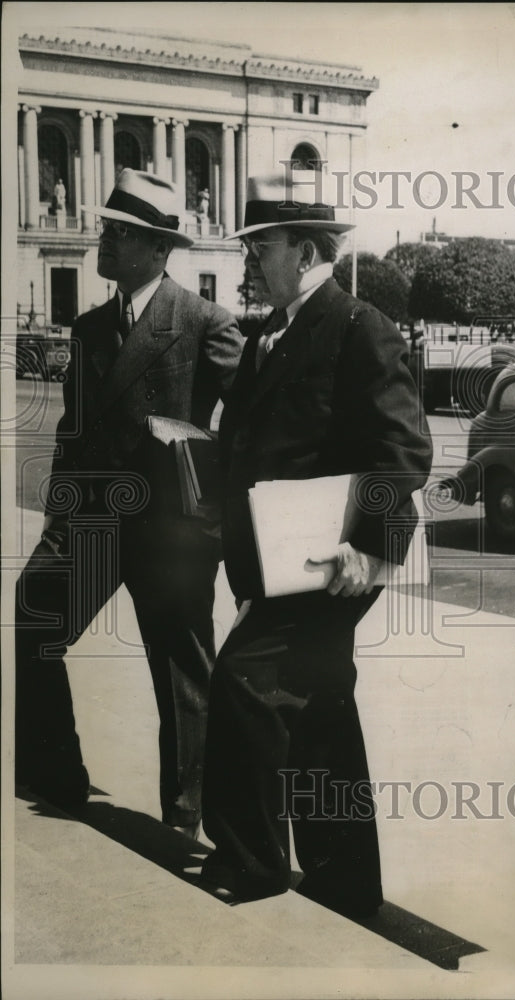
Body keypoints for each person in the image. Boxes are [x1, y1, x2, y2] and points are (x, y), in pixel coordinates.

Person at [199, 173, 433, 916]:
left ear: (302, 251)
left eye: (259, 247)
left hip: (333, 556)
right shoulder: (271, 330)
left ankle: (254, 862)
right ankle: (343, 881)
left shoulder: (359, 326)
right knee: (322, 708)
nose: (248, 261)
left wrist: (364, 551)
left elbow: (402, 452)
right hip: (278, 552)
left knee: (244, 680)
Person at [15, 169, 244, 838]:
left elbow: (253, 419)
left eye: (115, 234)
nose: (100, 244)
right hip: (90, 520)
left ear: (153, 246)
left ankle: (186, 810)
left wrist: (199, 460)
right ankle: (54, 772)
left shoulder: (203, 321)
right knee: (33, 618)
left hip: (169, 530)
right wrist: (61, 517)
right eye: (104, 231)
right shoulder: (90, 328)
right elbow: (74, 432)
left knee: (180, 670)